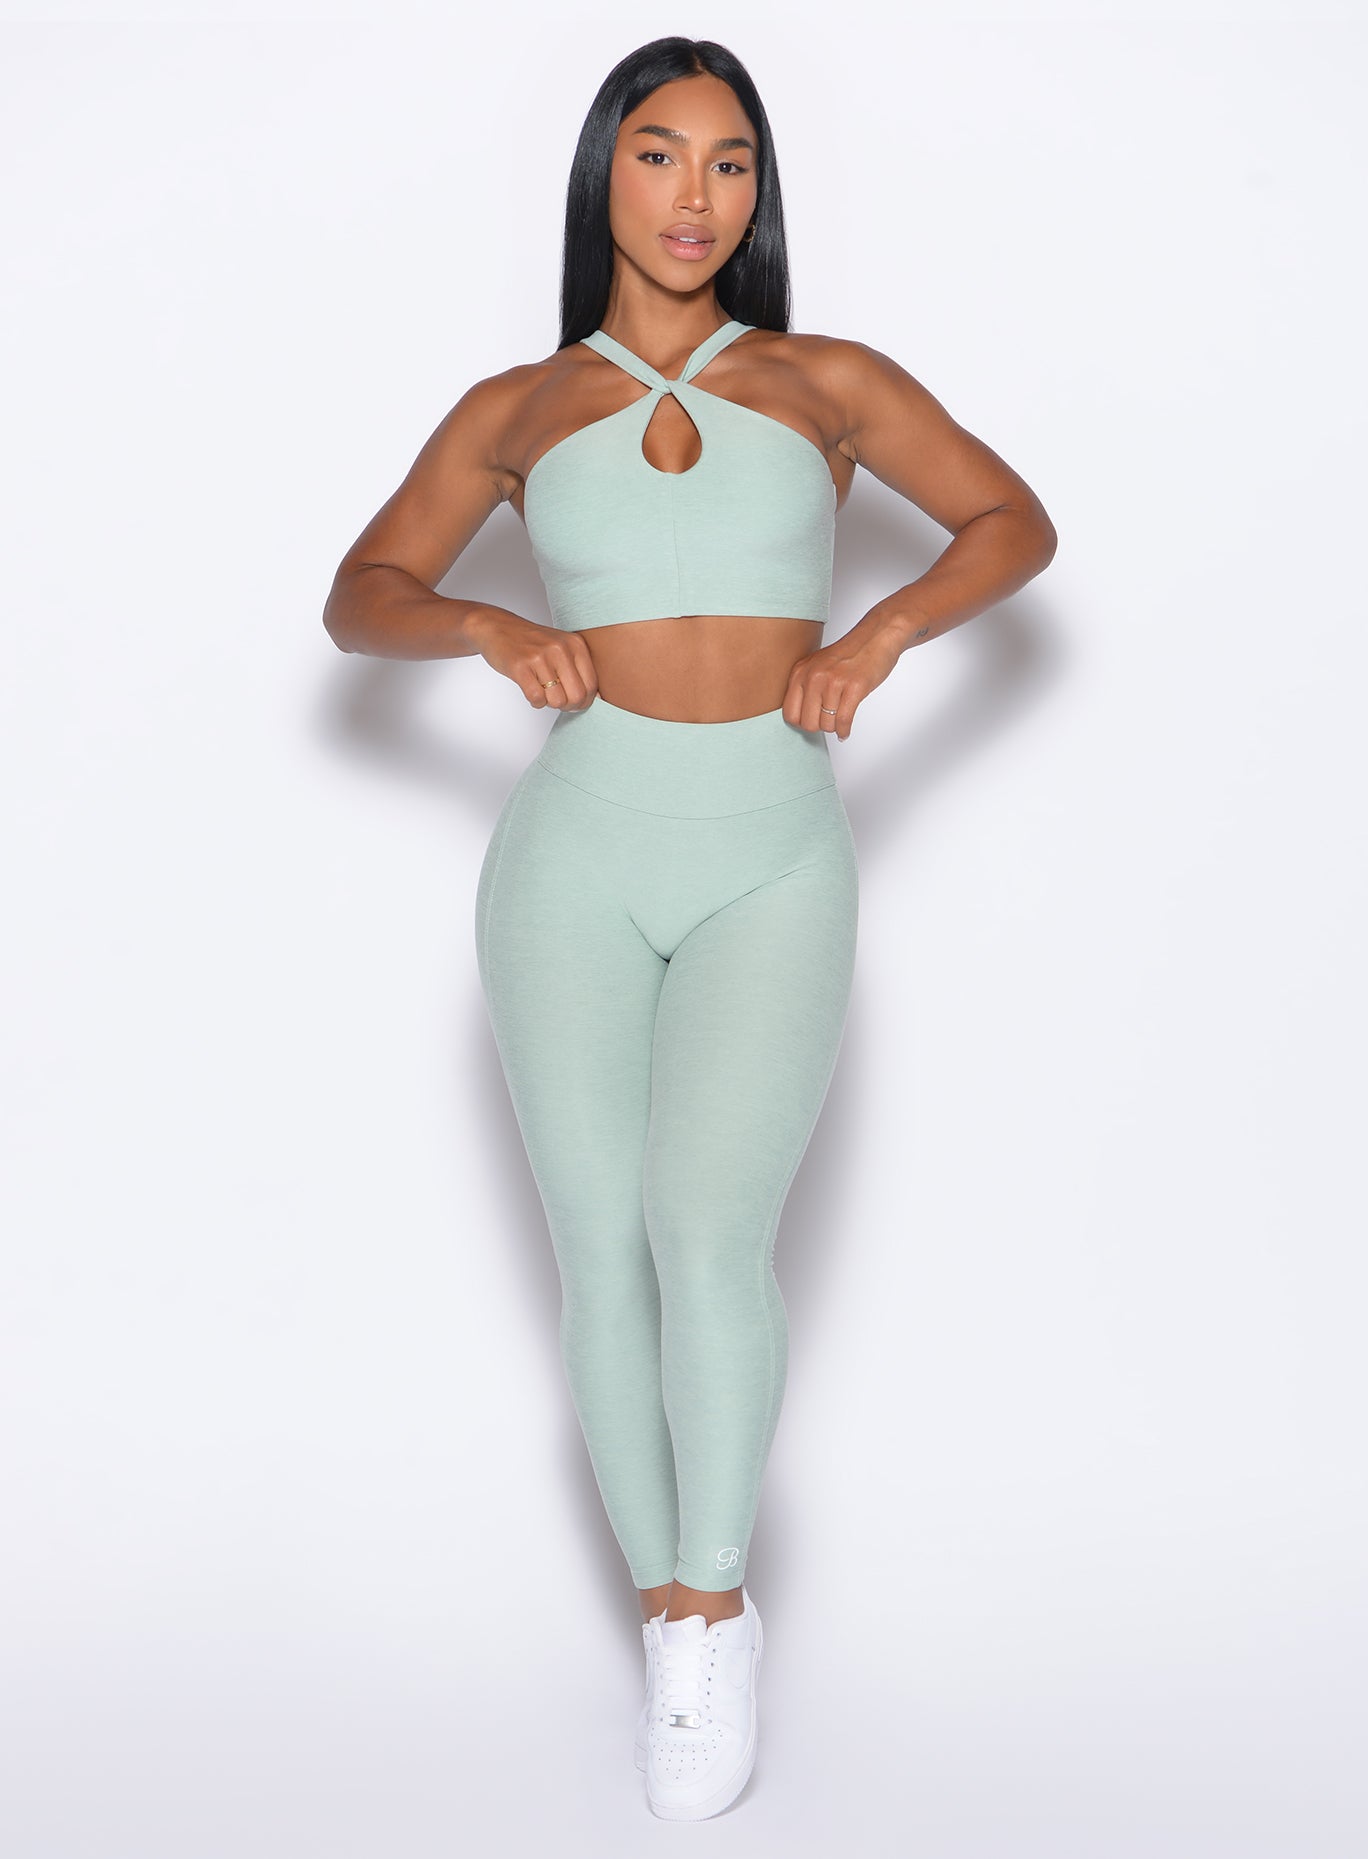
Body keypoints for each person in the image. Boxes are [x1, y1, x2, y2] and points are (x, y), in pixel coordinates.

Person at [323, 35, 1056, 1822]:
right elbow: (360, 596)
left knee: (708, 1232)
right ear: (606, 176)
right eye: (660, 155)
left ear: (757, 192)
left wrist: (879, 635)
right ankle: (667, 1614)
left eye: (732, 163)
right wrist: (484, 628)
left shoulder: (826, 381)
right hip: (572, 851)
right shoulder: (516, 409)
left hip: (772, 849)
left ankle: (716, 1605)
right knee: (600, 1250)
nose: (695, 195)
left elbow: (1011, 521)